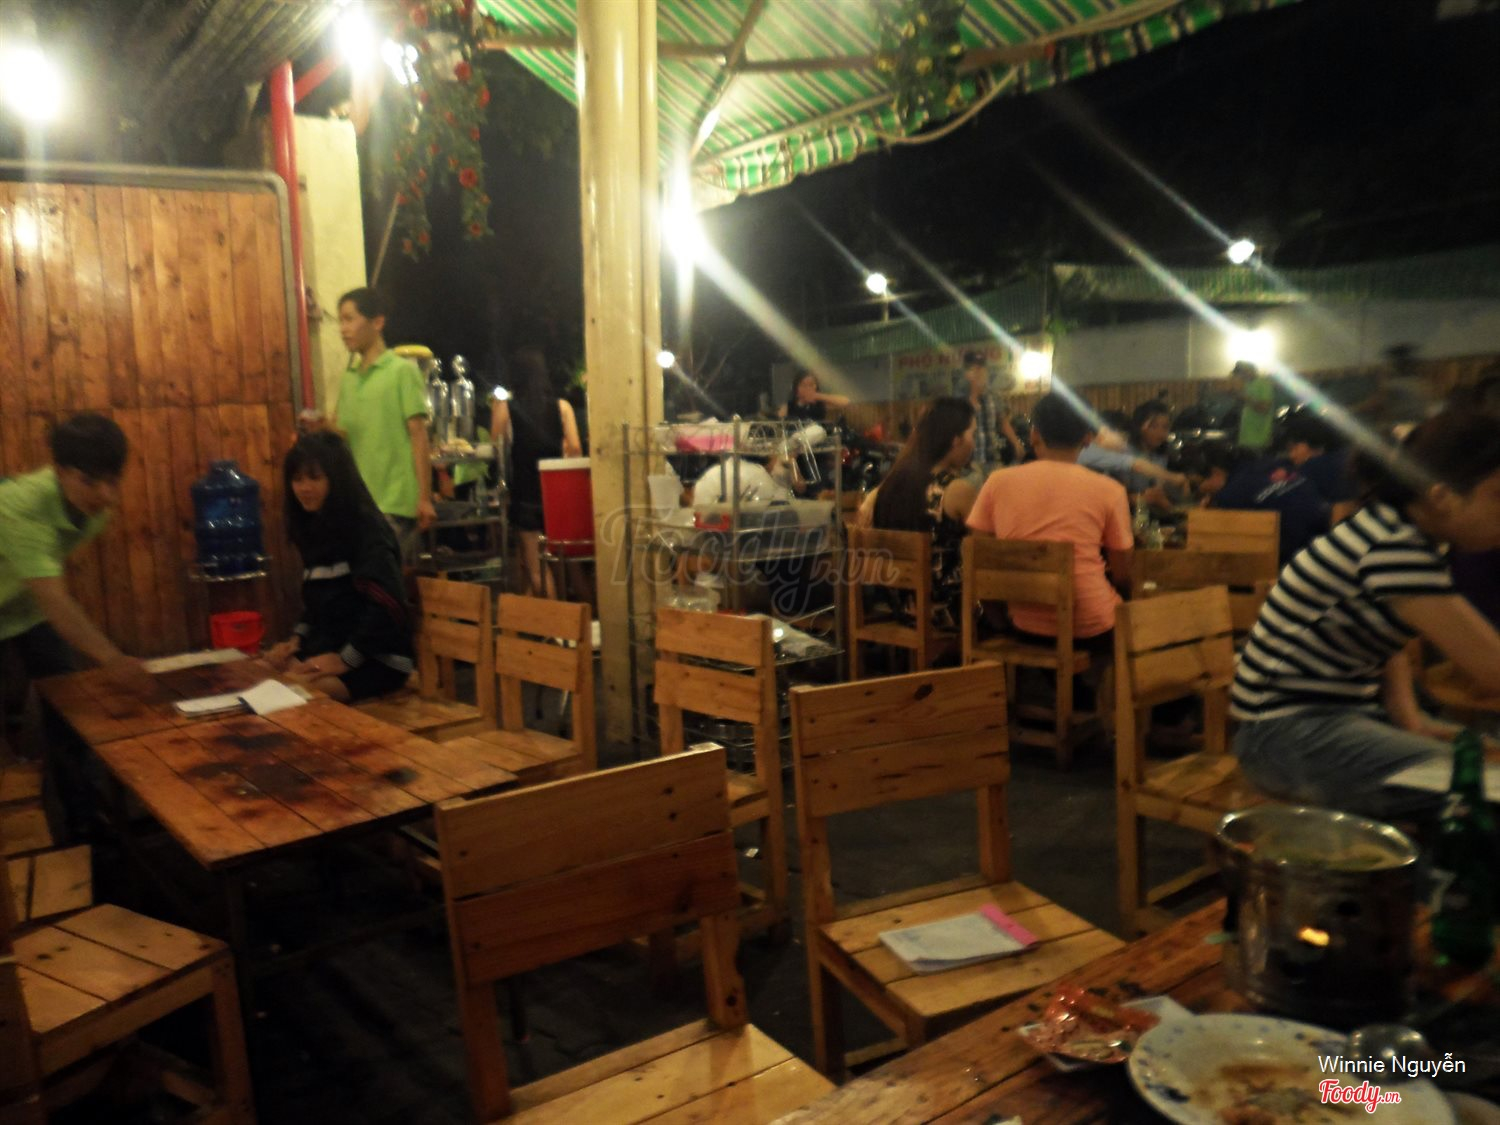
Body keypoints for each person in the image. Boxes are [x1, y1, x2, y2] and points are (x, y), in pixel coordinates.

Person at [1231, 410, 1500, 818]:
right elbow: (1493, 669)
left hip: (1318, 725)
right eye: (1497, 497)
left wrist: (1409, 716)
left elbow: (1386, 637)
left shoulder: (1396, 532)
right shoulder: (1396, 549)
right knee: (1484, 785)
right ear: (1442, 496)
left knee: (1483, 766)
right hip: (1285, 737)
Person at [967, 392, 1133, 650]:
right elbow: (1123, 573)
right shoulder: (1110, 490)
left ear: (1034, 434)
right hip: (1091, 625)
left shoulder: (996, 482)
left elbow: (982, 557)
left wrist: (1000, 620)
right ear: (1088, 438)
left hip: (1023, 624)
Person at [0, 413, 149, 692]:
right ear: (60, 472)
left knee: (67, 694)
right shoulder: (22, 508)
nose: (106, 496)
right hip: (31, 598)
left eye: (113, 481)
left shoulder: (92, 509)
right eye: (89, 482)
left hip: (26, 605)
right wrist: (113, 659)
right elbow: (53, 599)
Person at [264, 433, 414, 702]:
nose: (304, 488)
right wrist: (296, 641)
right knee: (261, 674)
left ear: (337, 479)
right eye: (297, 479)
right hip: (332, 650)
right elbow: (319, 605)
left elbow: (388, 605)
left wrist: (346, 659)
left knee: (290, 696)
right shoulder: (315, 528)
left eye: (315, 478)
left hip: (379, 659)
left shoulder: (365, 528)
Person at [331, 288, 435, 557]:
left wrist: (424, 498)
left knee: (387, 580)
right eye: (340, 321)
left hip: (396, 505)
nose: (343, 329)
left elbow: (418, 435)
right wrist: (318, 428)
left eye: (349, 319)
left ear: (377, 322)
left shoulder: (402, 371)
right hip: (357, 505)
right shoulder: (349, 378)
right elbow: (342, 435)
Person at [859, 398, 978, 629]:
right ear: (956, 440)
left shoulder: (890, 485)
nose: (973, 443)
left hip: (901, 609)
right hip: (947, 614)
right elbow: (985, 549)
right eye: (972, 433)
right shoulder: (955, 489)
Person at [492, 346, 582, 596]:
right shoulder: (562, 407)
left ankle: (554, 620)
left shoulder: (506, 408)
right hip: (557, 494)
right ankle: (543, 616)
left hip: (525, 496)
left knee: (536, 569)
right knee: (558, 561)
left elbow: (495, 447)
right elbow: (575, 448)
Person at [1196, 441, 1330, 566]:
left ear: (1216, 473)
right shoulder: (1274, 463)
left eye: (1197, 485)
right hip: (1326, 536)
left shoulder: (1230, 495)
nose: (1201, 490)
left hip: (1296, 559)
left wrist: (1207, 518)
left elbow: (1228, 548)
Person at [1077, 399, 1189, 513]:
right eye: (1153, 426)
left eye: (1165, 427)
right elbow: (1135, 465)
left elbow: (1158, 491)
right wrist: (1172, 478)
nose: (1160, 432)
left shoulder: (1159, 454)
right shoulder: (1090, 451)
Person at [961, 351, 1022, 475]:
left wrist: (1016, 443)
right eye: (975, 369)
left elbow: (1003, 422)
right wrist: (974, 394)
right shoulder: (959, 399)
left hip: (992, 459)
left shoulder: (994, 396)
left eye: (982, 368)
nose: (980, 372)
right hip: (969, 463)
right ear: (966, 374)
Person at [1232, 362, 1276, 452]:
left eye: (1241, 373)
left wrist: (1245, 398)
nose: (1240, 377)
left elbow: (1264, 409)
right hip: (1247, 438)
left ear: (1249, 371)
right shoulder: (1248, 385)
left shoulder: (1264, 384)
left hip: (1258, 439)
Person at [778, 370, 849, 423]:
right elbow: (779, 422)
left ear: (816, 386)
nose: (808, 388)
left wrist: (818, 396)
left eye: (811, 385)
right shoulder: (789, 406)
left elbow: (845, 402)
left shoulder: (821, 403)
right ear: (796, 388)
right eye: (803, 385)